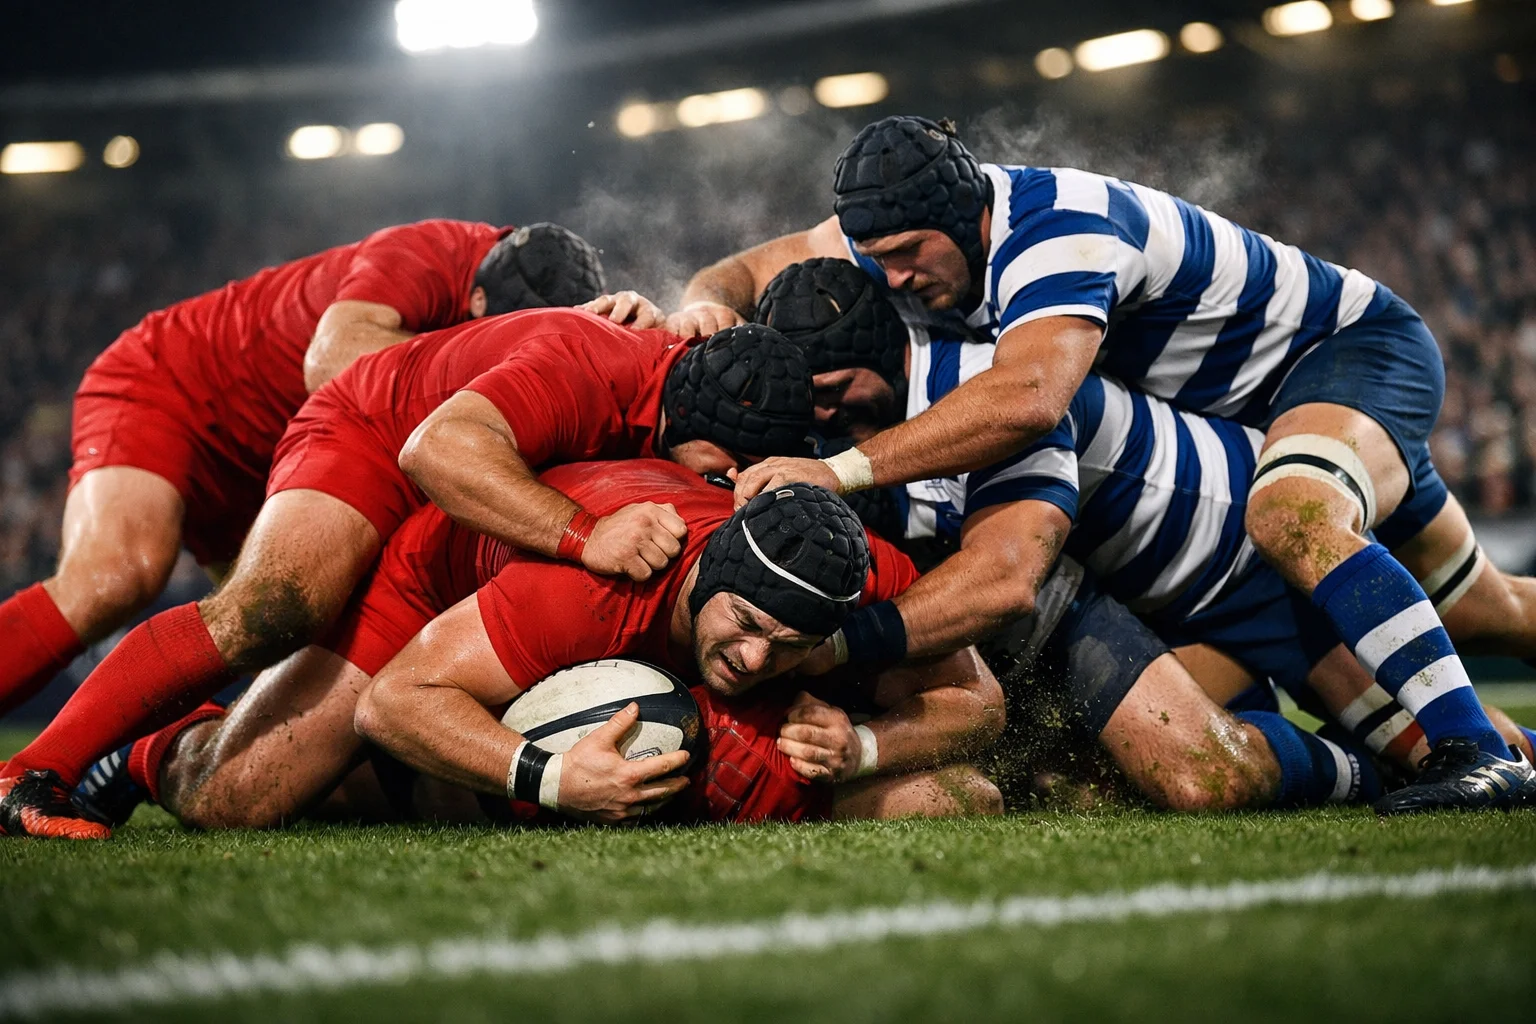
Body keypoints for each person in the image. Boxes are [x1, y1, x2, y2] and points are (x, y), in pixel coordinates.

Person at [713, 115, 1534, 809]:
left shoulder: (1051, 243)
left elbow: (1029, 401)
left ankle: (1476, 755)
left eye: (905, 253)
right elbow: (748, 269)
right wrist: (699, 307)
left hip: (1339, 355)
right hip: (1224, 489)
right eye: (876, 258)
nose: (890, 275)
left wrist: (842, 473)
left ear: (962, 215)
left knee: (1296, 516)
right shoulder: (895, 246)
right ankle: (1471, 751)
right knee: (1484, 614)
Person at [0, 320, 817, 837]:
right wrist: (584, 533)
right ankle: (31, 773)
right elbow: (434, 452)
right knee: (270, 610)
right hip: (375, 436)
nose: (729, 487)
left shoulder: (686, 395)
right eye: (726, 468)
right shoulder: (591, 358)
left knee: (234, 803)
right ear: (689, 422)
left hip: (457, 531)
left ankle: (147, 755)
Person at [77, 460, 1002, 834]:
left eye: (792, 647)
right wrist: (556, 779)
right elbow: (394, 700)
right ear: (706, 576)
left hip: (585, 634)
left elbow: (979, 706)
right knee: (241, 799)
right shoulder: (596, 587)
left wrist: (870, 746)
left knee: (942, 800)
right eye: (747, 627)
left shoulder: (853, 567)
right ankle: (159, 748)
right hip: (430, 590)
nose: (758, 660)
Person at [0, 220, 604, 721]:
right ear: (478, 303)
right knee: (117, 575)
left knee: (280, 631)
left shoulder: (510, 301)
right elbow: (331, 360)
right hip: (172, 386)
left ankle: (128, 767)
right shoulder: (426, 249)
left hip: (278, 454)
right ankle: (41, 772)